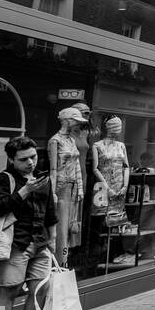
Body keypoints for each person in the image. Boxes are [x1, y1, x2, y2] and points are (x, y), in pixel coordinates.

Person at [0, 137, 57, 310]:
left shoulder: (42, 178)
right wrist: (25, 190)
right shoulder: (2, 180)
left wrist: (51, 240)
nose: (30, 163)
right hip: (14, 245)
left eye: (33, 157)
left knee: (40, 288)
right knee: (9, 290)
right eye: (24, 159)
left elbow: (50, 212)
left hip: (40, 243)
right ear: (11, 159)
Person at [48, 107, 86, 264]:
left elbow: (76, 164)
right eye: (75, 121)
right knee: (61, 229)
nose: (77, 125)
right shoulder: (55, 141)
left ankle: (65, 261)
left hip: (73, 187)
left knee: (70, 227)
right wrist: (53, 192)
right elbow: (53, 169)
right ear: (66, 121)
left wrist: (80, 188)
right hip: (61, 188)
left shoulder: (71, 140)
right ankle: (60, 263)